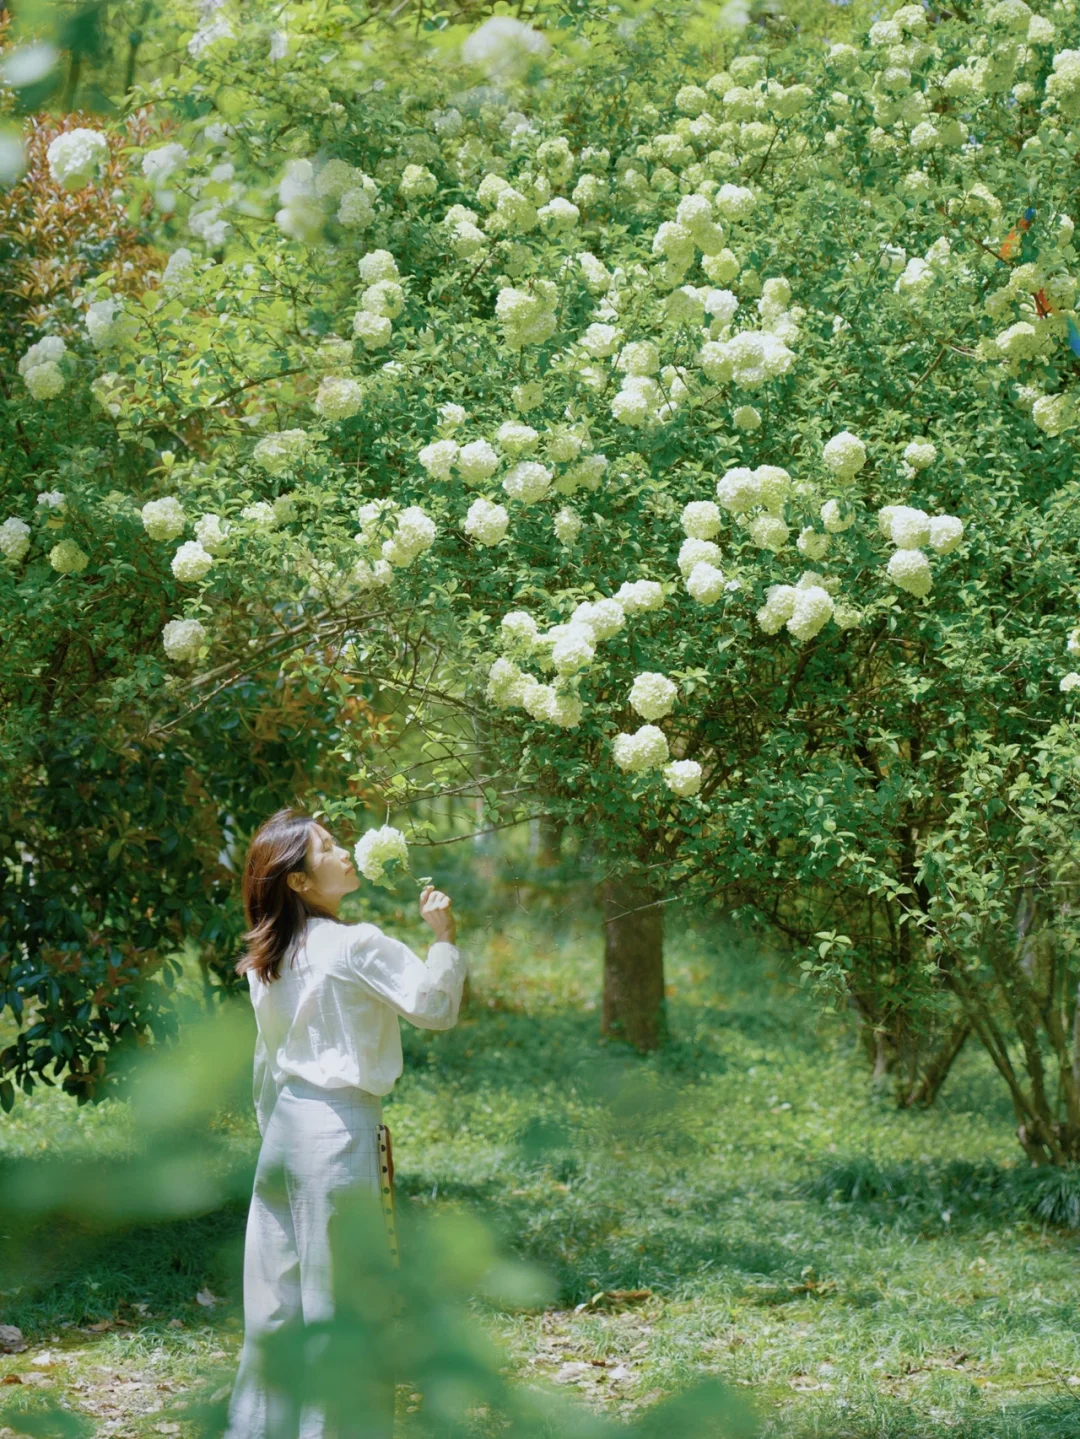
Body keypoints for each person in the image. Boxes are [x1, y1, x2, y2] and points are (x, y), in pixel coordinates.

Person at [222, 806, 465, 1439]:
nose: (344, 852)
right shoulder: (356, 943)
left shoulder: (268, 957)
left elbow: (265, 1062)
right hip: (339, 1128)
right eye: (327, 848)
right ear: (299, 881)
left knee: (273, 1313)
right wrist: (442, 939)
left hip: (284, 1131)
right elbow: (435, 1007)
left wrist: (279, 1135)